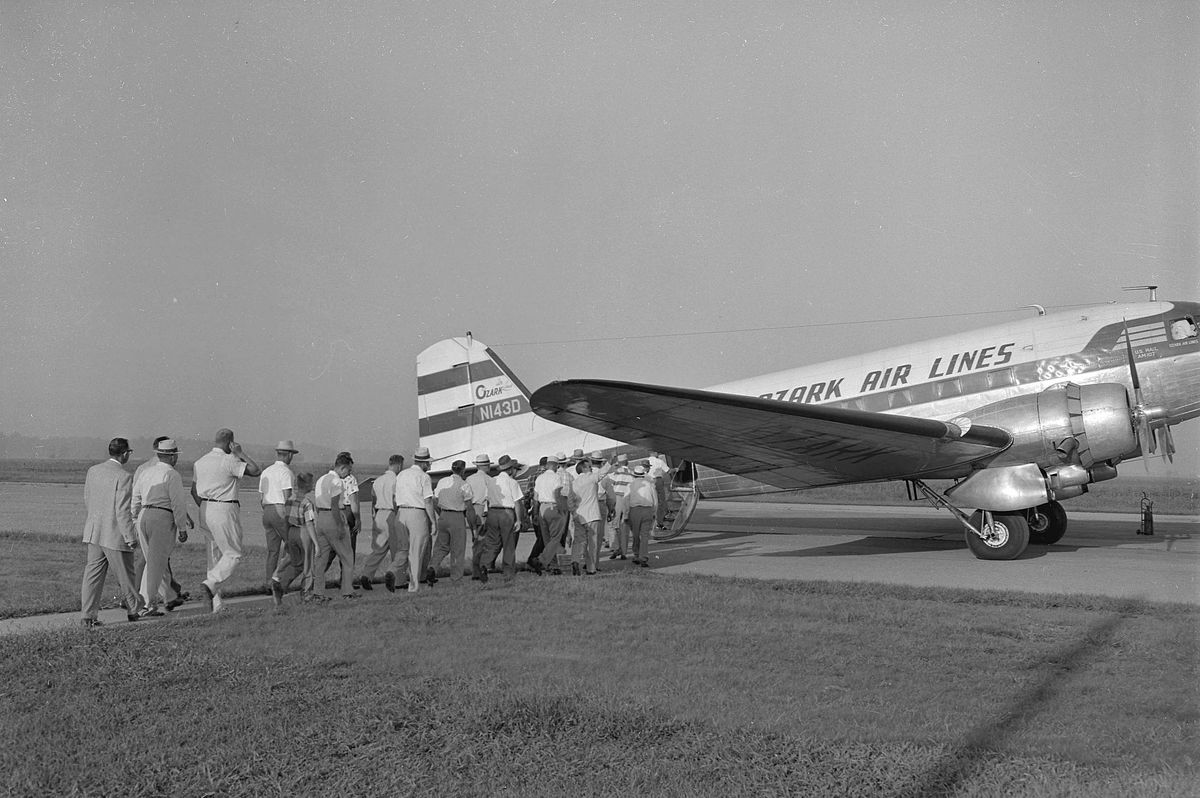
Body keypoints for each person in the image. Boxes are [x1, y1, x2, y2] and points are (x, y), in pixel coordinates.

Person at [191, 428, 261, 612]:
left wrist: (207, 507)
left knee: (213, 558)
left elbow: (193, 490)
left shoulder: (200, 462)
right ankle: (210, 583)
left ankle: (217, 603)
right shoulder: (230, 460)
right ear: (231, 442)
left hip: (205, 508)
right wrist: (240, 453)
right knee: (233, 553)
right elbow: (255, 470)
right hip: (224, 507)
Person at [80, 438, 144, 627]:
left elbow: (87, 498)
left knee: (92, 575)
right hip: (114, 534)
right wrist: (130, 536)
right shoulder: (124, 476)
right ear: (124, 453)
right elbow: (122, 510)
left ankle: (87, 615)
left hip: (94, 532)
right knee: (126, 575)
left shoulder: (93, 471)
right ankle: (134, 610)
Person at [131, 438, 192, 615]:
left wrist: (135, 516)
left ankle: (168, 597)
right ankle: (145, 604)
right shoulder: (172, 474)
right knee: (156, 563)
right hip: (161, 516)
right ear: (173, 457)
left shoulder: (146, 472)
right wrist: (182, 527)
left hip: (144, 514)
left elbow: (136, 497)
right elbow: (178, 503)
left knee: (155, 561)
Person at [312, 454, 359, 600]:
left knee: (322, 558)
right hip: (333, 517)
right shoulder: (337, 481)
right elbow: (334, 505)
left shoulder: (320, 480)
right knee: (347, 556)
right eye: (348, 470)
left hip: (321, 518)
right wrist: (339, 526)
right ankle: (347, 591)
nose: (349, 474)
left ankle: (318, 592)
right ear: (342, 467)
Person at [474, 455, 525, 582]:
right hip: (507, 513)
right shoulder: (512, 482)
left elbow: (487, 498)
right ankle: (508, 571)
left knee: (492, 543)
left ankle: (484, 565)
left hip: (492, 512)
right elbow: (517, 502)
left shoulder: (491, 481)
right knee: (509, 543)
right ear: (510, 469)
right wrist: (519, 520)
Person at [359, 455, 406, 592]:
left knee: (378, 549)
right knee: (398, 549)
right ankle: (399, 581)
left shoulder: (377, 481)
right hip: (392, 514)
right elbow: (396, 500)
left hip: (379, 513)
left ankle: (367, 574)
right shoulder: (397, 481)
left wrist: (374, 515)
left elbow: (373, 500)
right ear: (398, 465)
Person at [271, 471, 318, 604]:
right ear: (308, 485)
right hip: (304, 533)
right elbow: (309, 524)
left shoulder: (290, 500)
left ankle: (282, 585)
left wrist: (286, 538)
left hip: (291, 532)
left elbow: (285, 520)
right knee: (308, 565)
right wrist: (316, 543)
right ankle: (307, 594)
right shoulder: (307, 503)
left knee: (296, 563)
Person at [395, 446, 437, 592]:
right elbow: (428, 501)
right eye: (428, 463)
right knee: (417, 552)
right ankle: (413, 586)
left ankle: (392, 571)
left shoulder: (401, 474)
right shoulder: (424, 477)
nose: (430, 465)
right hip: (417, 513)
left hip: (401, 512)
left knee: (403, 549)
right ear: (423, 463)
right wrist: (433, 521)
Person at [429, 460, 477, 582]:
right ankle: (456, 577)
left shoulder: (442, 481)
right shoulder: (464, 485)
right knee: (458, 549)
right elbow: (470, 509)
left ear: (451, 469)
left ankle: (432, 567)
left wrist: (441, 514)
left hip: (443, 515)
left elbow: (434, 501)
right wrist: (474, 527)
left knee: (441, 546)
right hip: (457, 516)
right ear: (463, 470)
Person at [259, 440, 298, 587]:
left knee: (272, 550)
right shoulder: (286, 472)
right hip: (280, 509)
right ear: (288, 455)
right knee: (292, 545)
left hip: (267, 510)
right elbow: (287, 497)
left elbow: (261, 498)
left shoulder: (266, 471)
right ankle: (280, 579)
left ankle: (269, 581)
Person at [569, 454, 610, 575]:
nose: (591, 468)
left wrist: (573, 513)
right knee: (593, 542)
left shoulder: (574, 483)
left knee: (578, 541)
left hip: (579, 515)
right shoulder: (591, 478)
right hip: (592, 515)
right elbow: (603, 473)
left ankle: (575, 560)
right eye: (589, 466)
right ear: (584, 468)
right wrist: (610, 462)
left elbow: (570, 501)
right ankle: (591, 568)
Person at [529, 452, 567, 575]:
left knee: (547, 540)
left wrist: (535, 513)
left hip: (542, 508)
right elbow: (557, 494)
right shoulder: (557, 478)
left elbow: (535, 497)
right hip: (553, 506)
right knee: (555, 538)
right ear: (556, 466)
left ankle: (552, 565)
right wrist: (562, 509)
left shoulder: (540, 478)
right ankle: (541, 560)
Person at [626, 463, 658, 567]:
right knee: (645, 535)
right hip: (647, 509)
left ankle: (636, 554)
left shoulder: (630, 485)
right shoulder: (650, 484)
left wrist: (626, 514)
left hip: (635, 510)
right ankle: (643, 557)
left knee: (635, 534)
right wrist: (654, 512)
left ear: (634, 475)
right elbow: (655, 500)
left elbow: (625, 500)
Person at [604, 454, 633, 560]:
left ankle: (615, 547)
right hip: (627, 499)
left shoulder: (615, 473)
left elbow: (605, 483)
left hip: (616, 499)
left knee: (612, 525)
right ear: (627, 462)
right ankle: (624, 551)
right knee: (624, 526)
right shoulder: (632, 473)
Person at [646, 452, 671, 529]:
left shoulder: (646, 461)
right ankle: (659, 521)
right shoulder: (659, 461)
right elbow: (668, 471)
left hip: (648, 481)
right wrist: (676, 469)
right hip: (658, 481)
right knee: (660, 501)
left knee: (652, 501)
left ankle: (654, 520)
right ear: (655, 453)